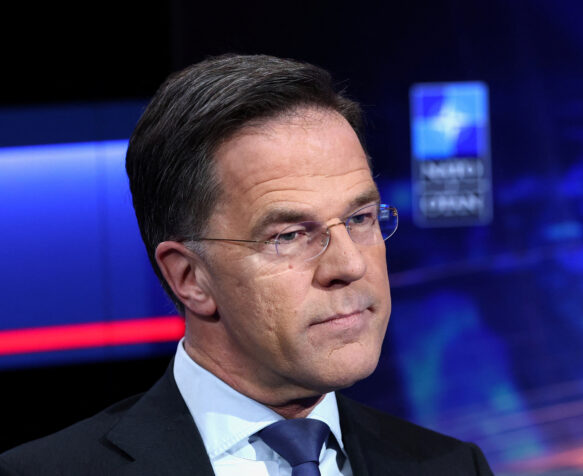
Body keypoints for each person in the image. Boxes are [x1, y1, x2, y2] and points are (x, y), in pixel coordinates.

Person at [0, 54, 494, 476]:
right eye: (290, 235)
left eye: (360, 218)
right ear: (190, 278)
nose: (349, 265)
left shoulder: (453, 466)